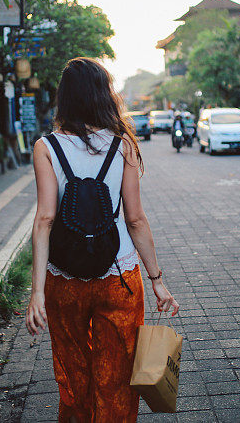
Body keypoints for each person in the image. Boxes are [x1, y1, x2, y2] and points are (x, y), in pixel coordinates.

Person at [26, 57, 179, 423]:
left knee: (74, 373)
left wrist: (37, 293)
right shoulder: (123, 144)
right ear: (103, 96)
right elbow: (136, 219)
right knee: (118, 377)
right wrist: (157, 280)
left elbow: (45, 219)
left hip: (64, 279)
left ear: (65, 98)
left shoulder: (46, 148)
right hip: (119, 277)